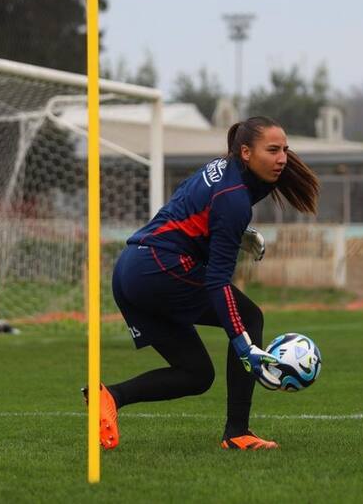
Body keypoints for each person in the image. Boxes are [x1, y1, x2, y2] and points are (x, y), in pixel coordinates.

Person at [86, 116, 319, 450]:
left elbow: (194, 213)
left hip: (132, 270)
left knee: (195, 374)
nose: (282, 158)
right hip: (157, 269)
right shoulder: (234, 197)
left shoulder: (224, 169)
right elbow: (217, 281)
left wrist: (238, 234)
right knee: (250, 318)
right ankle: (238, 432)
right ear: (246, 152)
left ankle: (109, 396)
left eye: (285, 149)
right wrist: (245, 346)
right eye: (272, 150)